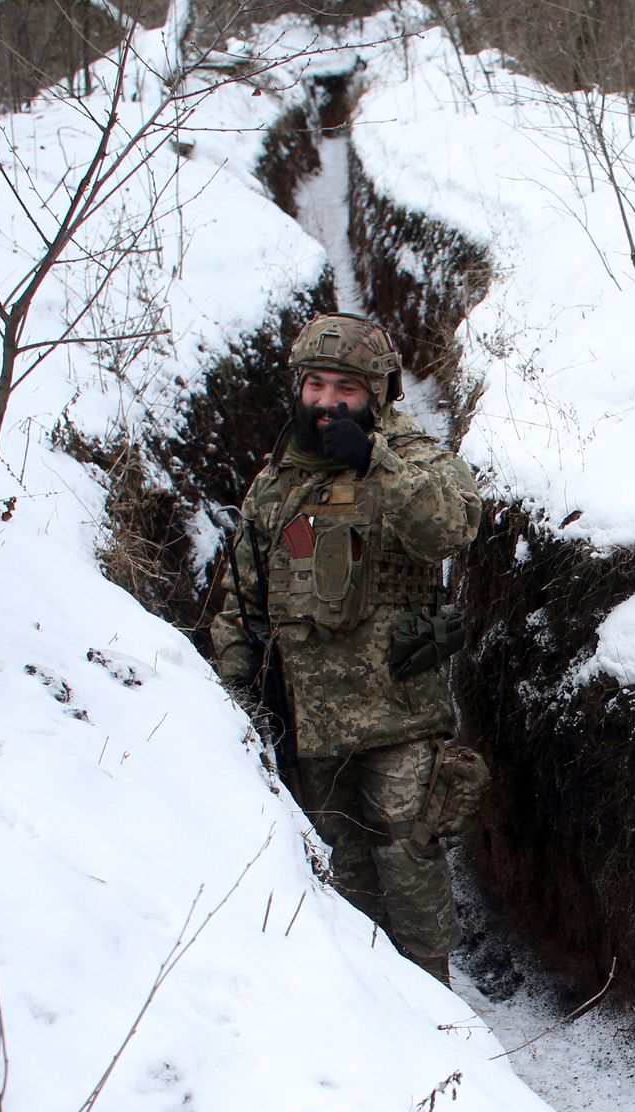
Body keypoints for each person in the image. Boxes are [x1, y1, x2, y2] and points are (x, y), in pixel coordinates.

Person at [212, 313, 482, 984]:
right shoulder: (276, 482)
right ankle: (369, 1009)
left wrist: (374, 462)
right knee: (341, 878)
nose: (327, 402)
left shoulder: (414, 458)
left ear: (377, 393)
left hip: (398, 717)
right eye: (316, 385)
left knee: (410, 865)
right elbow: (240, 601)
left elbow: (452, 525)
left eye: (346, 389)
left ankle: (440, 1010)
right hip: (310, 725)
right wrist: (233, 698)